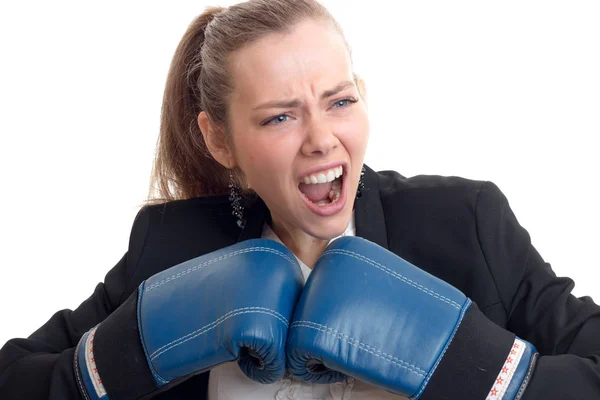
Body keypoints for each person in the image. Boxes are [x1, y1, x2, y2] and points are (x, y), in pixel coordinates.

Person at [1, 0, 599, 399]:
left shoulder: (466, 224)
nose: (321, 139)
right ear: (219, 139)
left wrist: (475, 366)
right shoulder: (171, 250)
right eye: (280, 116)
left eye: (339, 101)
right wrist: (130, 350)